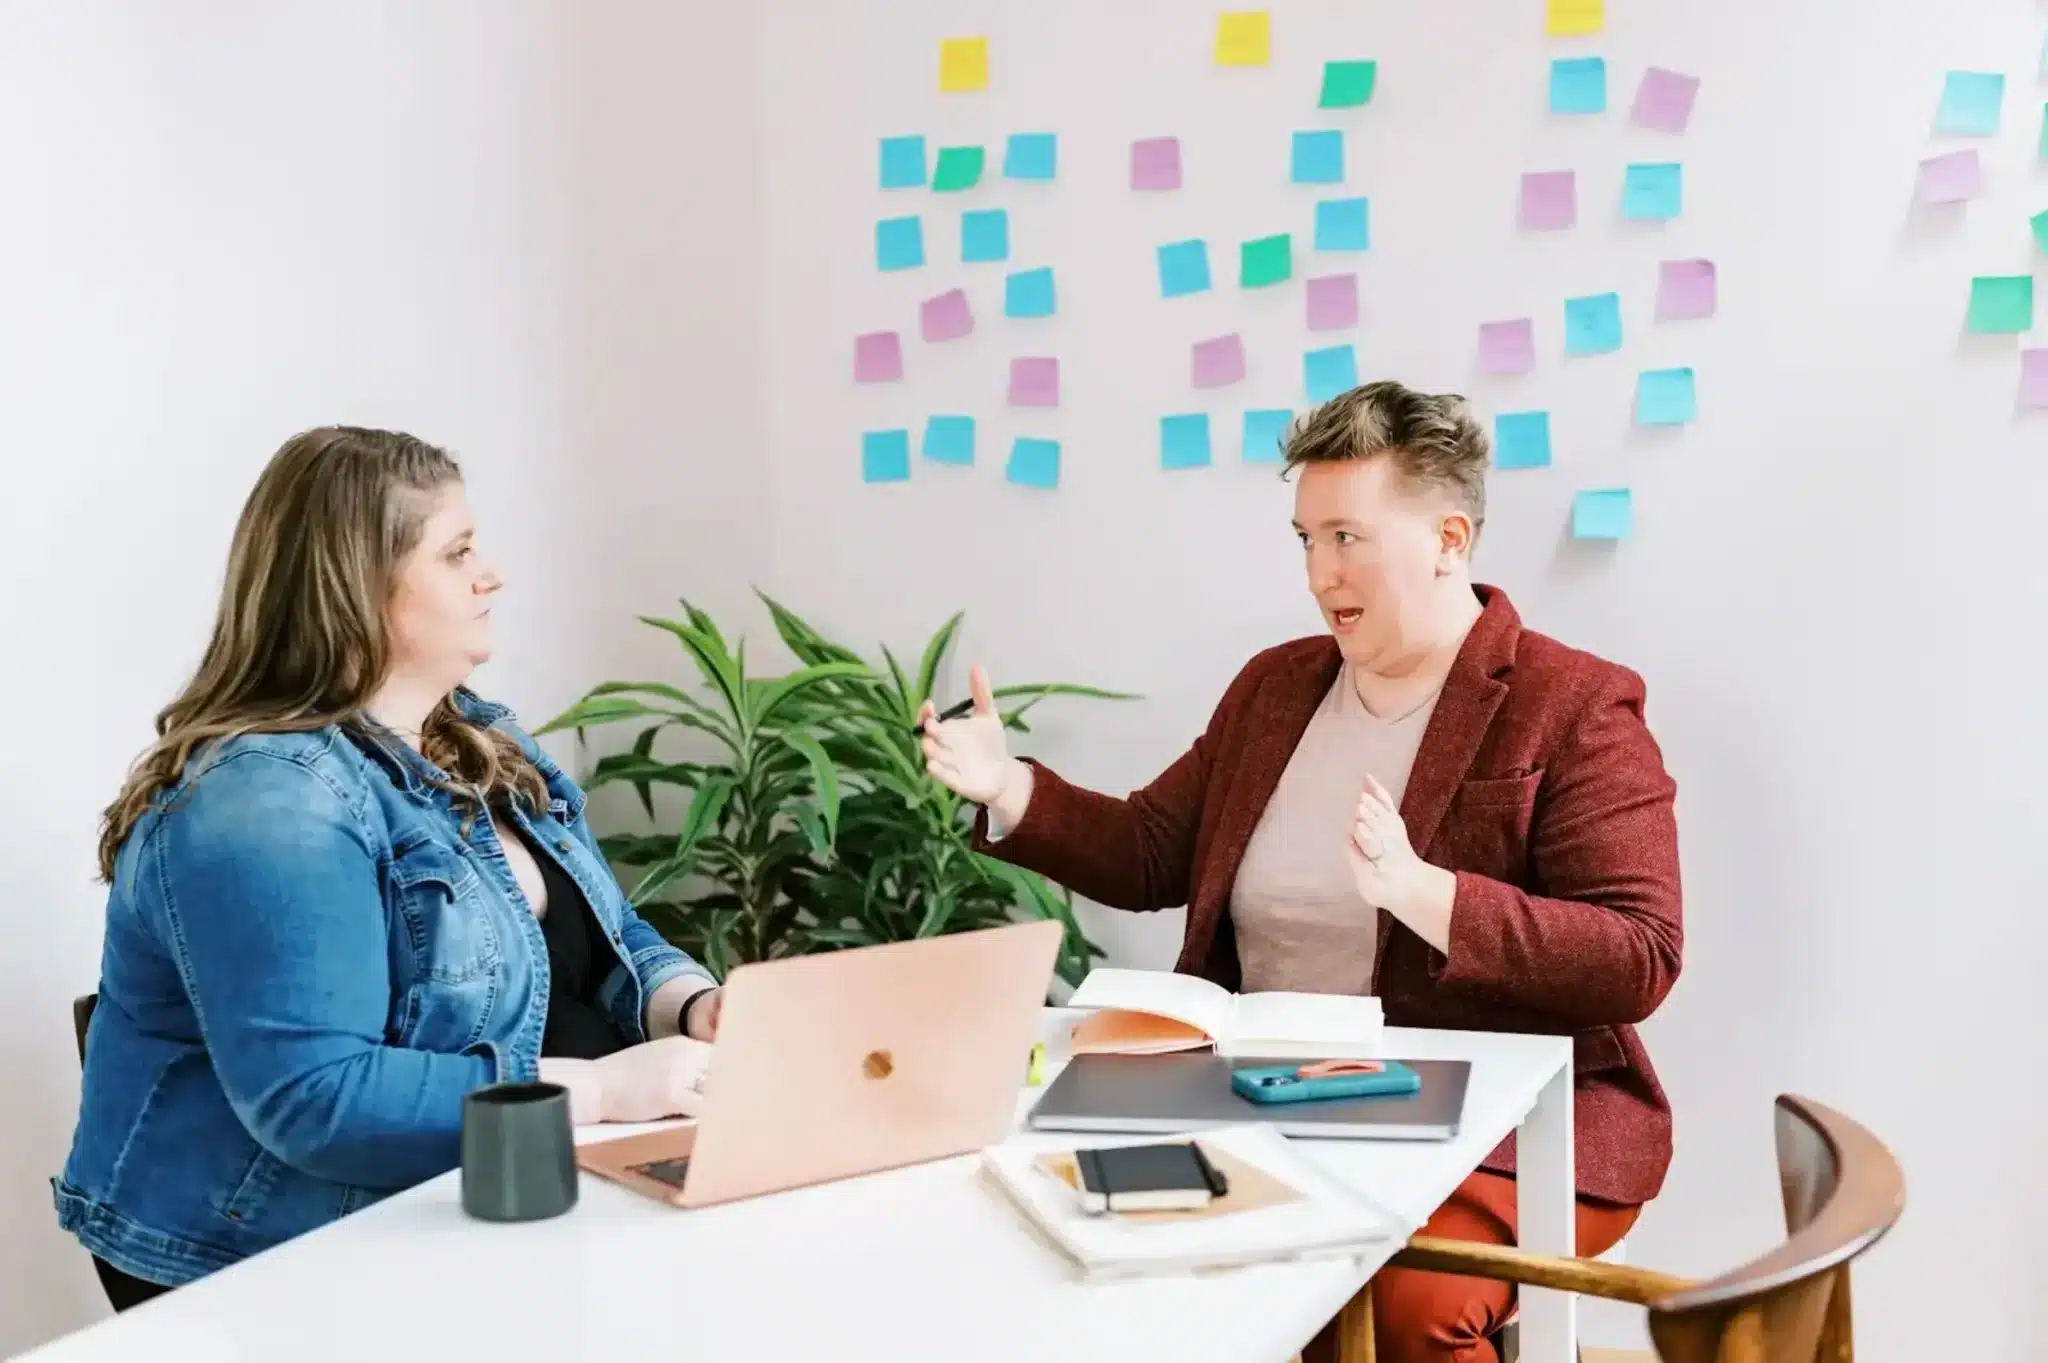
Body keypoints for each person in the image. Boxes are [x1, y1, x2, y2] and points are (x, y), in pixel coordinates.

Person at [920, 381, 1682, 1363]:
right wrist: (1010, 788)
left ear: (1449, 539)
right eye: (1304, 540)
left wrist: (1425, 894)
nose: (1320, 573)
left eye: (1346, 537)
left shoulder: (1569, 702)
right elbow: (1154, 848)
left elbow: (1636, 955)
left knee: (1391, 1310)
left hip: (1509, 1126)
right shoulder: (1276, 687)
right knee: (1041, 1221)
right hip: (1272, 1106)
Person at [57, 427, 728, 1310]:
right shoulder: (267, 800)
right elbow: (317, 1097)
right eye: (456, 554)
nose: (492, 574)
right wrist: (598, 1089)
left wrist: (691, 1003)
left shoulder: (481, 736)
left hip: (492, 1196)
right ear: (358, 587)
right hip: (278, 1256)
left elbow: (607, 934)